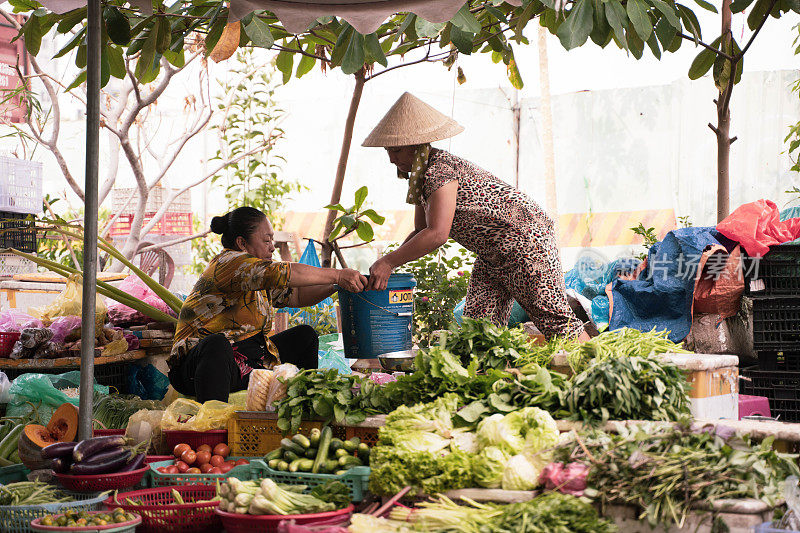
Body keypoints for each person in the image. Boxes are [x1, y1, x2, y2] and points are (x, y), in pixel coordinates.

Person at [363, 92, 589, 342]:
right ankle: (490, 378)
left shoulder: (440, 171)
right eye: (387, 151)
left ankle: (597, 372)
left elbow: (437, 234)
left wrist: (389, 263)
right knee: (480, 327)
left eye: (396, 150)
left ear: (416, 145)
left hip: (524, 241)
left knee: (555, 321)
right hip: (493, 252)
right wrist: (388, 264)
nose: (391, 159)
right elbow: (421, 230)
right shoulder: (420, 176)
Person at [168, 206, 367, 402]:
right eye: (266, 240)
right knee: (216, 344)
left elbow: (296, 296)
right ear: (242, 243)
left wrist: (336, 286)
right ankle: (214, 421)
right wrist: (339, 274)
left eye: (272, 240)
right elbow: (286, 272)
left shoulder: (257, 276)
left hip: (248, 360)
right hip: (199, 368)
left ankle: (305, 404)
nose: (272, 246)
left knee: (305, 336)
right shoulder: (229, 263)